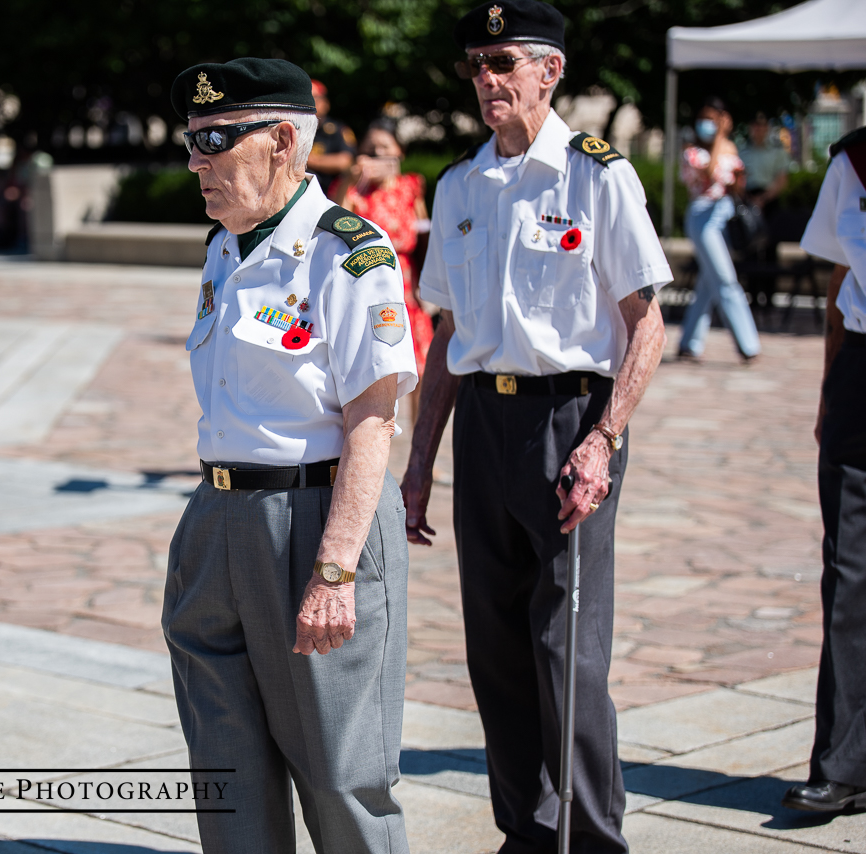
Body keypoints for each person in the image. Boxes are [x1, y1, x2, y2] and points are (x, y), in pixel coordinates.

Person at [402, 2, 672, 851]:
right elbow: (445, 338)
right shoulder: (458, 187)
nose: (487, 79)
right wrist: (420, 466)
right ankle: (524, 832)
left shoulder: (596, 175)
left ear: (549, 71)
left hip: (570, 424)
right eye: (477, 64)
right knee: (496, 652)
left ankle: (592, 838)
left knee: (567, 652)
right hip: (484, 424)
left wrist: (604, 439)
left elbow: (646, 321)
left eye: (504, 62)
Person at [165, 57, 418, 853]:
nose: (197, 160)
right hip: (219, 517)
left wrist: (336, 569)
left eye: (215, 139)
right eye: (191, 141)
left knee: (343, 779)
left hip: (315, 519)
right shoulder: (223, 249)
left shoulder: (349, 251)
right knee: (227, 778)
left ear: (281, 141)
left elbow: (374, 421)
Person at [783, 125, 866, 815]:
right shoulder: (858, 160)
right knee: (849, 572)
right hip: (863, 373)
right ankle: (843, 763)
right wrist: (829, 389)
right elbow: (842, 277)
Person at [331, 116, 434, 417]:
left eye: (384, 148)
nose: (377, 155)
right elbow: (335, 224)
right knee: (369, 372)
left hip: (406, 289)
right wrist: (350, 181)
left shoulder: (411, 186)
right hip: (365, 286)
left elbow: (424, 233)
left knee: (423, 367)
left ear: (399, 151)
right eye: (370, 150)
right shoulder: (353, 191)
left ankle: (420, 452)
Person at [677, 97, 761, 363]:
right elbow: (711, 174)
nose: (708, 125)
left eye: (714, 120)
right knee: (725, 280)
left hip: (724, 215)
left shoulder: (729, 148)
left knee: (707, 282)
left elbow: (738, 184)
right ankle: (749, 345)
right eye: (705, 120)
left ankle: (689, 344)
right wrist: (720, 139)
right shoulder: (693, 152)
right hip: (702, 216)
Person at [738, 112, 790, 309]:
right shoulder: (743, 152)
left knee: (770, 250)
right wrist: (751, 199)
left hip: (770, 202)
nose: (758, 129)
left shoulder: (777, 151)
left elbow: (782, 179)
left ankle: (769, 298)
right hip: (748, 202)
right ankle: (751, 297)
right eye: (754, 125)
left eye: (762, 125)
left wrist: (764, 198)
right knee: (749, 250)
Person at [307, 79, 357, 192]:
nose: (309, 104)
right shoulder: (295, 129)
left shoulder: (337, 130)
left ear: (325, 104)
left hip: (329, 192)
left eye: (313, 99)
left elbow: (345, 161)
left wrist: (307, 160)